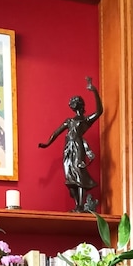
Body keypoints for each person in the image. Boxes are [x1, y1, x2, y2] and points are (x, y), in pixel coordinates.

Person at [39, 76, 103, 212]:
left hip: (78, 147)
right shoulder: (69, 121)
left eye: (75, 101)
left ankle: (80, 206)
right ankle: (77, 204)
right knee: (69, 176)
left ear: (80, 105)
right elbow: (55, 133)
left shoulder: (86, 120)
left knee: (79, 174)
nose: (72, 103)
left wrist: (94, 91)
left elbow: (99, 112)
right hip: (68, 149)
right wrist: (47, 144)